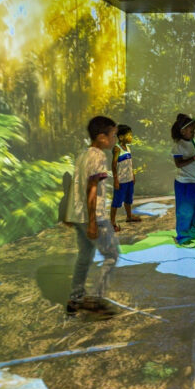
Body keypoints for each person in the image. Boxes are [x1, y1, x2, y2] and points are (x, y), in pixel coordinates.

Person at [64, 116, 120, 316]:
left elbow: (75, 185)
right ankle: (96, 298)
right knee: (112, 255)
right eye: (113, 135)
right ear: (101, 137)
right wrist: (93, 223)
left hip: (79, 216)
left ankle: (76, 298)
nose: (115, 139)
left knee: (84, 256)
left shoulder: (83, 155)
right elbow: (91, 189)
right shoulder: (98, 157)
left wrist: (68, 214)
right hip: (92, 217)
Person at [171, 114, 195, 247]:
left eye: (194, 130)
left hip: (194, 181)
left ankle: (191, 230)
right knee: (184, 210)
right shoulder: (178, 145)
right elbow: (178, 164)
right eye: (191, 131)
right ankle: (182, 237)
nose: (194, 132)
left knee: (194, 208)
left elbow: (193, 156)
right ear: (182, 131)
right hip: (184, 183)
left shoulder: (192, 141)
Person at [110, 124, 141, 232]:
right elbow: (113, 165)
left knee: (128, 200)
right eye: (129, 135)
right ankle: (112, 223)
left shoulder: (128, 148)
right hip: (121, 181)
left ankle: (129, 216)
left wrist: (132, 175)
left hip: (129, 180)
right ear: (121, 137)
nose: (131, 137)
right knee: (116, 202)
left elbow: (129, 163)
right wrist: (116, 180)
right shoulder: (117, 149)